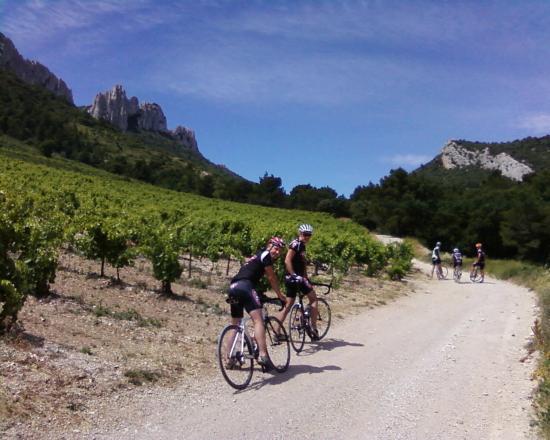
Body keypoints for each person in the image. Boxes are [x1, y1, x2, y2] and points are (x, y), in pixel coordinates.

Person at [226, 236, 287, 371]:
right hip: (245, 287)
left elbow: (250, 274)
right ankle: (263, 355)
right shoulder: (265, 255)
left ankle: (229, 358)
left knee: (235, 324)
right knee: (258, 320)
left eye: (280, 251)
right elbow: (271, 277)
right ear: (269, 245)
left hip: (233, 288)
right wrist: (280, 295)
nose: (277, 252)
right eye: (276, 249)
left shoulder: (255, 256)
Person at [275, 223, 320, 340]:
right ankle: (313, 327)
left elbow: (302, 264)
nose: (307, 237)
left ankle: (277, 332)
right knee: (314, 299)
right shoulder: (296, 244)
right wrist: (294, 275)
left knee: (288, 305)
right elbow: (287, 260)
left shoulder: (301, 245)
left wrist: (305, 276)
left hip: (291, 279)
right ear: (300, 233)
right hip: (296, 279)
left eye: (309, 235)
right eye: (305, 234)